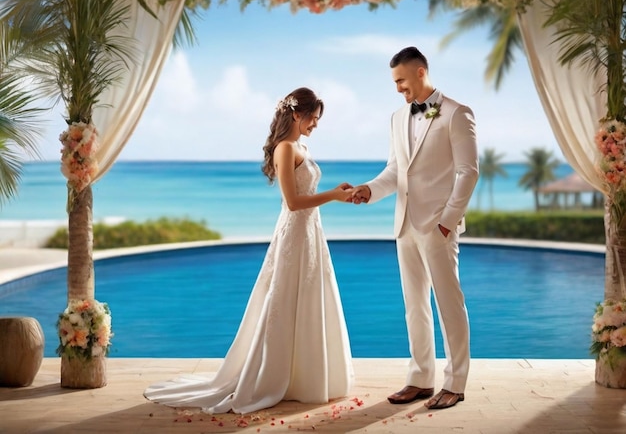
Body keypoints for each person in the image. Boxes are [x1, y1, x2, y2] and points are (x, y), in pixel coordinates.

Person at [144, 87, 355, 414]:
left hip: (311, 233)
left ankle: (306, 377)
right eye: (313, 118)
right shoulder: (285, 148)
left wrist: (333, 193)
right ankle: (273, 375)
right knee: (284, 300)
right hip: (295, 232)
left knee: (311, 296)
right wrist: (333, 196)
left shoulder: (301, 145)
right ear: (297, 114)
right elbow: (294, 202)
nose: (315, 124)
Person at [351, 47, 479, 410]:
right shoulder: (396, 118)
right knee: (414, 306)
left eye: (401, 80)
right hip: (405, 225)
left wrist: (446, 222)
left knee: (448, 304)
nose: (397, 89)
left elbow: (468, 172)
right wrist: (369, 190)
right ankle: (421, 378)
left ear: (421, 72)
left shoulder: (457, 113)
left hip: (438, 226)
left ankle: (455, 382)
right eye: (394, 82)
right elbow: (396, 171)